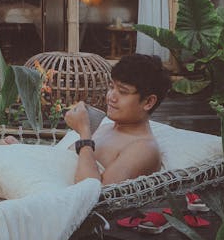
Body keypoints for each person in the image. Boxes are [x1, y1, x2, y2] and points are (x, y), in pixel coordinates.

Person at [65, 53, 171, 186]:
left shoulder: (143, 148)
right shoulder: (104, 128)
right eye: (111, 87)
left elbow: (98, 194)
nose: (111, 97)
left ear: (148, 102)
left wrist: (84, 132)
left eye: (123, 92)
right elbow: (65, 161)